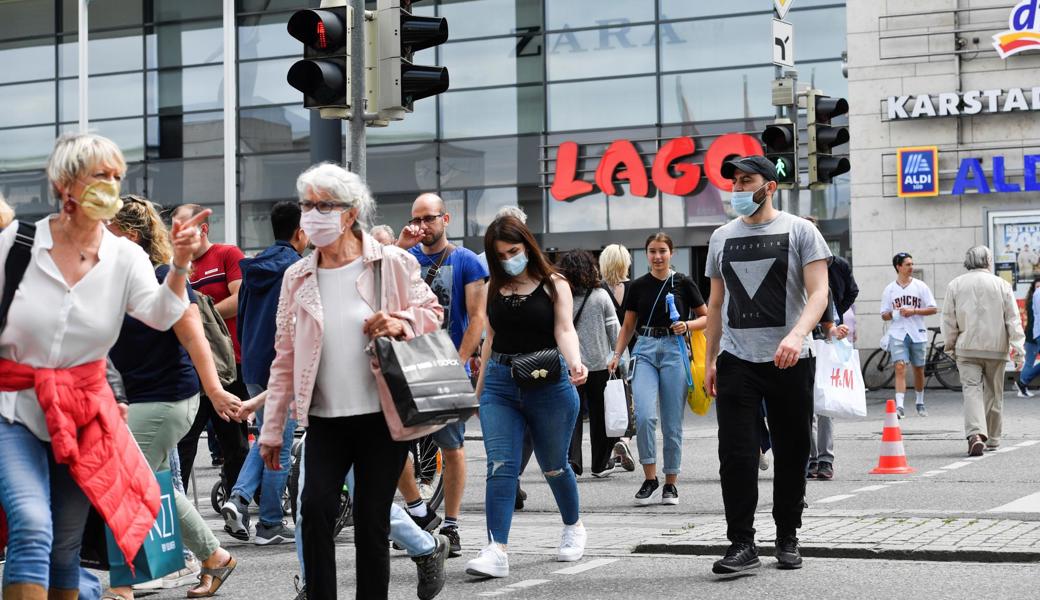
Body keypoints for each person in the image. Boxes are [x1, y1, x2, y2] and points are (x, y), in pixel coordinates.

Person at [0, 133, 204, 599]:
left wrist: (180, 265)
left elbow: (162, 314)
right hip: (11, 407)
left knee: (66, 548)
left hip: (83, 414)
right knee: (32, 526)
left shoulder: (125, 256)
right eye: (99, 176)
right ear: (65, 184)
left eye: (116, 176)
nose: (110, 185)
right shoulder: (16, 244)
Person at [259, 162, 443, 600]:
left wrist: (400, 321)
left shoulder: (392, 263)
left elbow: (433, 315)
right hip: (325, 420)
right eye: (307, 204)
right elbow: (284, 356)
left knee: (370, 521)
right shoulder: (296, 276)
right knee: (314, 510)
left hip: (383, 417)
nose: (312, 214)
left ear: (350, 212)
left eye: (324, 205)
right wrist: (270, 429)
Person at [106, 196, 240, 599]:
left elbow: (193, 334)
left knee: (125, 484)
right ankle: (214, 557)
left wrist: (215, 390)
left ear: (129, 237)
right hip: (146, 399)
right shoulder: (115, 279)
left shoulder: (163, 275)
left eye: (106, 233)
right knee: (159, 486)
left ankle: (124, 584)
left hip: (163, 400)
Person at [704, 155, 831, 576]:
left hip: (791, 360)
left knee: (793, 451)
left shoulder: (801, 231)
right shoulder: (721, 237)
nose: (739, 189)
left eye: (747, 180)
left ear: (769, 186)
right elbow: (717, 303)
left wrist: (796, 335)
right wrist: (710, 360)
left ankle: (787, 535)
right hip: (737, 360)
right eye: (735, 182)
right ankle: (741, 543)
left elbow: (819, 294)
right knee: (736, 454)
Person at [465, 215, 588, 579]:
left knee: (554, 465)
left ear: (528, 246)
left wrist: (576, 361)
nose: (508, 260)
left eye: (514, 251)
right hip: (501, 384)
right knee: (500, 466)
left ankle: (573, 526)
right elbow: (489, 340)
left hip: (548, 382)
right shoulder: (492, 287)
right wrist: (479, 390)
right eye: (500, 255)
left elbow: (564, 328)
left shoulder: (554, 284)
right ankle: (496, 549)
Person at [394, 193, 488, 556]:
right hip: (406, 362)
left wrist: (460, 361)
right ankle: (417, 510)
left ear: (445, 219)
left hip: (445, 365)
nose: (422, 226)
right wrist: (400, 248)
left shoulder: (464, 260)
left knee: (452, 447)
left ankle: (451, 523)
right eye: (416, 219)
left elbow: (477, 317)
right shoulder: (404, 257)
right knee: (393, 446)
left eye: (429, 218)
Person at [220, 201, 308, 545]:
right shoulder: (299, 269)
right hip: (281, 365)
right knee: (279, 444)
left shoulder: (254, 267)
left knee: (267, 436)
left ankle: (240, 499)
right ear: (300, 232)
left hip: (254, 362)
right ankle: (268, 522)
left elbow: (241, 320)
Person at [607, 233, 707, 506]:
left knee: (672, 422)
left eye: (662, 250)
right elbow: (628, 326)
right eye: (652, 251)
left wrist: (687, 325)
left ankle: (670, 483)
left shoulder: (683, 283)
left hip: (675, 349)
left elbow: (707, 317)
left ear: (671, 253)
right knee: (645, 416)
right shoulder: (638, 286)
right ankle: (650, 478)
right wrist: (616, 353)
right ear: (646, 254)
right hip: (645, 349)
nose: (657, 256)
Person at [172, 203, 250, 490]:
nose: (178, 233)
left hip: (229, 364)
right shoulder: (178, 268)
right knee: (186, 440)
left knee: (234, 442)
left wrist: (198, 312)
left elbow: (240, 298)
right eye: (174, 228)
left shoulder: (227, 254)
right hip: (193, 367)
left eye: (185, 226)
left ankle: (235, 501)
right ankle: (177, 501)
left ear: (203, 228)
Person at [942, 246, 1025, 456]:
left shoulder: (955, 285)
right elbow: (1012, 319)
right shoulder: (1002, 284)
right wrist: (1018, 348)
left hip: (966, 348)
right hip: (996, 349)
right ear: (988, 260)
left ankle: (975, 434)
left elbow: (948, 319)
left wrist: (950, 345)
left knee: (971, 391)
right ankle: (994, 439)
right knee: (994, 393)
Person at [803, 216, 860, 481]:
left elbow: (851, 291)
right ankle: (810, 458)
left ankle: (824, 459)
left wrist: (835, 320)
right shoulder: (792, 267)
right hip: (800, 339)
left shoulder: (837, 266)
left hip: (826, 337)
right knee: (803, 404)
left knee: (824, 402)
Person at [557, 250, 620, 477]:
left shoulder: (559, 298)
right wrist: (621, 358)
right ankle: (600, 464)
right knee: (600, 416)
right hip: (600, 365)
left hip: (568, 366)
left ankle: (573, 461)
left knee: (571, 415)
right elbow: (615, 331)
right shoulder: (601, 296)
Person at [881, 252, 938, 418]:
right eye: (907, 264)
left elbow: (933, 308)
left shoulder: (920, 286)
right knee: (899, 367)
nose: (911, 267)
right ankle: (899, 406)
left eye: (912, 264)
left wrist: (914, 310)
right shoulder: (890, 289)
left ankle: (920, 402)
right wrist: (894, 313)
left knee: (919, 370)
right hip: (897, 333)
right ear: (898, 267)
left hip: (917, 333)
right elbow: (884, 314)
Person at [597, 244, 636, 472]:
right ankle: (624, 442)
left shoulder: (599, 290)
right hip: (633, 353)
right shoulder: (635, 288)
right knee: (630, 401)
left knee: (610, 403)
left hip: (606, 355)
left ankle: (615, 448)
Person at [1016, 277, 1040, 397]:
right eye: (1037, 287)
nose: (1039, 289)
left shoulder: (1032, 299)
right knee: (1029, 362)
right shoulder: (1034, 300)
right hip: (1032, 336)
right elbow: (1033, 321)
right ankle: (1022, 384)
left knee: (1029, 362)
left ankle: (1022, 385)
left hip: (1033, 335)